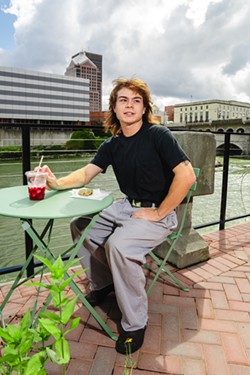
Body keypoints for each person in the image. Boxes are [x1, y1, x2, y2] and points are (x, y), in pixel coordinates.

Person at [38, 77, 196, 354]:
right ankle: (105, 283)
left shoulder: (158, 135)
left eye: (137, 100)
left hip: (157, 210)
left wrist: (160, 211)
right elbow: (87, 174)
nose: (130, 105)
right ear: (114, 107)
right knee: (80, 227)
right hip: (124, 206)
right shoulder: (112, 144)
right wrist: (57, 183)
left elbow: (187, 175)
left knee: (119, 247)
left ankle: (135, 323)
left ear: (144, 107)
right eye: (124, 99)